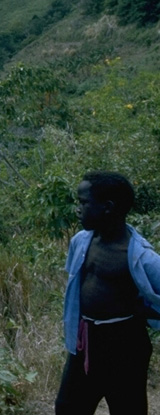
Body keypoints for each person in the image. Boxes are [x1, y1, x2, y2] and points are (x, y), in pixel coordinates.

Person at [55, 171, 160, 414]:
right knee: (67, 407)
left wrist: (146, 311)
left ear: (108, 207)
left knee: (127, 407)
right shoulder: (81, 242)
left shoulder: (140, 257)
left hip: (126, 344)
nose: (78, 209)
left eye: (84, 202)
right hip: (86, 340)